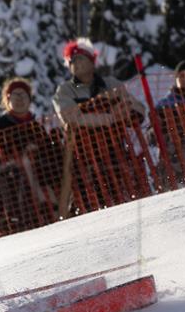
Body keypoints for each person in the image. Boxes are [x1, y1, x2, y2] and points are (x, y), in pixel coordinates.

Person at [53, 38, 147, 209]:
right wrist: (109, 117)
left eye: (79, 58)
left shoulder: (111, 84)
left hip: (115, 150)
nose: (75, 63)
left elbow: (138, 108)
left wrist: (126, 110)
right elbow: (71, 117)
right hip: (83, 157)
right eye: (71, 61)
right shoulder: (64, 91)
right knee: (90, 201)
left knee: (127, 194)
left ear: (91, 61)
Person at [0, 78, 62, 233]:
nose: (19, 100)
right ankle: (43, 202)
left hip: (40, 169)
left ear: (29, 99)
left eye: (23, 95)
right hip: (8, 171)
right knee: (24, 163)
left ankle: (53, 205)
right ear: (7, 99)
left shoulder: (35, 125)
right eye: (15, 95)